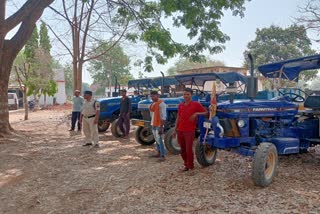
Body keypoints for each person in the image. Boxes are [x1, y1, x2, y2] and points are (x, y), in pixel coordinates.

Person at [173, 88, 207, 171]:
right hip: (180, 130)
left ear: (191, 95)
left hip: (189, 130)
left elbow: (206, 112)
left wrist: (196, 113)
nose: (186, 96)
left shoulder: (196, 104)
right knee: (182, 150)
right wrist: (175, 129)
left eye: (187, 94)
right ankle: (186, 165)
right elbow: (178, 117)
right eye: (184, 94)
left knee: (188, 149)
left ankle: (191, 166)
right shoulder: (180, 105)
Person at [149, 91, 167, 161]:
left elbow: (164, 117)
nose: (152, 97)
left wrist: (161, 127)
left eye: (154, 96)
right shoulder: (153, 104)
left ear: (158, 95)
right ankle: (159, 152)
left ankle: (163, 155)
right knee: (156, 139)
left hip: (159, 124)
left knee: (160, 139)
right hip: (153, 123)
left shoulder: (162, 104)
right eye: (151, 96)